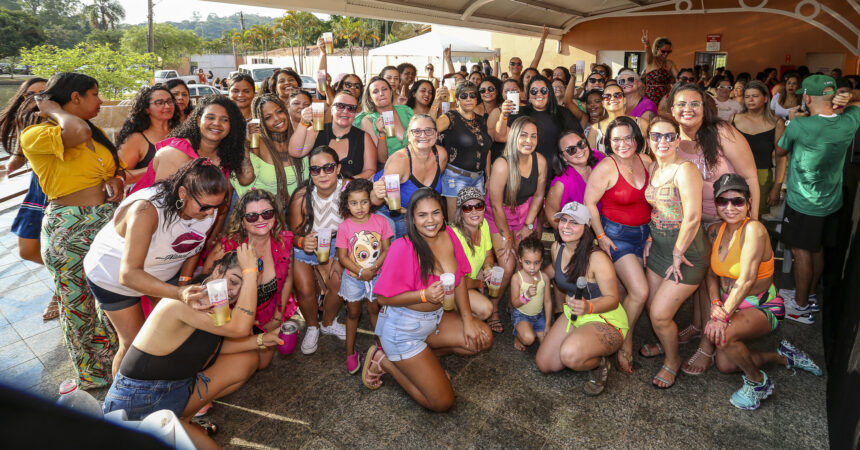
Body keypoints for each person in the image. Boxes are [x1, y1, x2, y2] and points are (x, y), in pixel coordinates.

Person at [102, 245, 282, 447]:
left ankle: (184, 420)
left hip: (176, 389)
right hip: (138, 402)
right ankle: (171, 428)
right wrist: (250, 273)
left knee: (246, 359)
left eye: (246, 287)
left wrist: (260, 341)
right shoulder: (188, 301)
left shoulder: (216, 301)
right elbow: (239, 328)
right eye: (233, 281)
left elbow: (212, 349)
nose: (236, 292)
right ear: (217, 271)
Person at [20, 72, 126, 388]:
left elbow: (112, 168)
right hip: (69, 226)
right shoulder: (37, 134)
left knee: (110, 295)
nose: (101, 101)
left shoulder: (92, 133)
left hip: (105, 222)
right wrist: (50, 108)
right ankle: (93, 373)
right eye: (94, 94)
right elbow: (75, 132)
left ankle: (119, 359)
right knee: (77, 301)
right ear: (75, 97)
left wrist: (115, 182)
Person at [687, 174, 821, 409]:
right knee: (725, 365)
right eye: (723, 201)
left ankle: (758, 382)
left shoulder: (754, 230)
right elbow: (710, 274)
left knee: (724, 335)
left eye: (737, 201)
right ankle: (782, 356)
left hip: (762, 305)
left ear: (749, 202)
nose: (730, 207)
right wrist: (716, 301)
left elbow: (747, 279)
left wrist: (721, 316)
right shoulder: (715, 231)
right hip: (730, 303)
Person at [84, 158, 226, 376]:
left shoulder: (207, 208)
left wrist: (184, 282)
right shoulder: (147, 210)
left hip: (161, 273)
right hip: (112, 276)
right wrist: (180, 293)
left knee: (173, 332)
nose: (210, 213)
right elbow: (129, 274)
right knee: (134, 343)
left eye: (216, 206)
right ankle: (118, 403)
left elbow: (194, 244)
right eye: (205, 207)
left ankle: (166, 384)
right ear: (182, 193)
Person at [362, 188, 492, 411]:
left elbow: (459, 277)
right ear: (412, 218)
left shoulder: (449, 235)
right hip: (403, 330)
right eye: (422, 215)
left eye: (435, 213)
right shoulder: (402, 247)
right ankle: (385, 361)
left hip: (434, 320)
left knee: (482, 338)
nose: (430, 221)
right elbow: (382, 298)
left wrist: (468, 320)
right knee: (442, 402)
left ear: (444, 214)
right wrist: (424, 295)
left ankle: (424, 361)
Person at [669, 81, 759, 351]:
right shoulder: (672, 138)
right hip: (694, 222)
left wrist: (752, 224)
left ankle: (707, 346)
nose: (688, 109)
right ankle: (698, 326)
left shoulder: (721, 132)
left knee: (718, 282)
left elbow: (751, 176)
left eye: (695, 103)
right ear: (672, 110)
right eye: (681, 104)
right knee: (699, 277)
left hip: (728, 219)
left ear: (705, 108)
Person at [777, 75, 860, 323]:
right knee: (817, 249)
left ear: (807, 97)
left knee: (801, 252)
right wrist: (849, 97)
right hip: (831, 201)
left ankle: (800, 306)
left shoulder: (801, 126)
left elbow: (780, 150)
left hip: (803, 202)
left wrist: (789, 122)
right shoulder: (848, 121)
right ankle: (810, 294)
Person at [638, 117, 707, 388]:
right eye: (656, 136)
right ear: (649, 140)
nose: (663, 141)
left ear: (678, 140)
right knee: (650, 303)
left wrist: (678, 252)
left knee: (659, 313)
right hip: (659, 247)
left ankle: (673, 360)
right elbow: (657, 209)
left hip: (687, 253)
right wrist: (650, 238)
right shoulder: (654, 165)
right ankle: (663, 341)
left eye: (669, 136)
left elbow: (692, 217)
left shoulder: (685, 170)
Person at [535, 202, 627, 396]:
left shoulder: (597, 258)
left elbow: (613, 298)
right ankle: (582, 344)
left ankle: (599, 365)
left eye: (574, 222)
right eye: (564, 220)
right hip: (576, 311)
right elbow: (560, 271)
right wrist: (538, 277)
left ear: (586, 229)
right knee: (544, 364)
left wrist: (589, 307)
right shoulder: (556, 247)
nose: (566, 226)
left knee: (569, 355)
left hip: (605, 317)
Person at [584, 116, 652, 374]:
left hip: (645, 235)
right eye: (616, 139)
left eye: (627, 137)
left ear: (637, 138)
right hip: (618, 236)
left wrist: (651, 235)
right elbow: (589, 202)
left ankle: (609, 333)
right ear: (608, 143)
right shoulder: (606, 167)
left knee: (626, 293)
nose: (622, 143)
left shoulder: (646, 161)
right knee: (640, 291)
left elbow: (656, 200)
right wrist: (601, 237)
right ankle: (624, 340)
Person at [204, 188, 295, 370]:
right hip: (231, 318)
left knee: (262, 364)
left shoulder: (283, 242)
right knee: (243, 365)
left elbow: (287, 280)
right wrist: (223, 320)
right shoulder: (228, 247)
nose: (261, 220)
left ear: (275, 216)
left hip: (266, 315)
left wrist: (278, 317)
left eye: (267, 213)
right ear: (243, 222)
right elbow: (206, 279)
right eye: (252, 216)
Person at [0, 77, 56, 320]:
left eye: (43, 93)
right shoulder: (27, 123)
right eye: (30, 94)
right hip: (37, 189)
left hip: (59, 190)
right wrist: (9, 167)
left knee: (56, 247)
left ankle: (65, 289)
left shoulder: (62, 122)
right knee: (26, 249)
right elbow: (21, 154)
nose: (36, 99)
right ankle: (70, 278)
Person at [486, 116, 547, 333]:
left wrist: (528, 226)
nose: (528, 140)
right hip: (499, 214)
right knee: (507, 266)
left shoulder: (540, 160)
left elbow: (539, 196)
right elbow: (495, 205)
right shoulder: (502, 164)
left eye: (533, 136)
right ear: (513, 136)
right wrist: (509, 238)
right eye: (523, 135)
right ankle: (493, 308)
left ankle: (516, 302)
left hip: (525, 213)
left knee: (525, 264)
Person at [289, 146, 348, 354]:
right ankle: (313, 326)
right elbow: (292, 235)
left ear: (338, 167)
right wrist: (302, 242)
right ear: (310, 172)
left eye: (328, 167)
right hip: (306, 247)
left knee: (339, 283)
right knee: (305, 290)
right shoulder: (302, 197)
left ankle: (328, 323)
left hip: (335, 244)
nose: (322, 174)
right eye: (316, 170)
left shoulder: (348, 190)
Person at [335, 179, 392, 374]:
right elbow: (342, 257)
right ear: (346, 204)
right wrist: (360, 272)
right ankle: (350, 352)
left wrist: (374, 269)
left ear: (371, 201)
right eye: (353, 203)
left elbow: (387, 249)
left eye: (364, 202)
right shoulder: (344, 227)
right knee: (353, 314)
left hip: (377, 277)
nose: (359, 207)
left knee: (375, 311)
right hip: (353, 279)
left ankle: (381, 347)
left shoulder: (381, 222)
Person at [370, 114, 447, 239]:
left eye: (429, 130)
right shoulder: (399, 161)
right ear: (409, 136)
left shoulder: (441, 155)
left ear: (436, 134)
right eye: (416, 131)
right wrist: (402, 210)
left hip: (420, 214)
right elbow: (375, 200)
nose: (423, 135)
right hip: (392, 213)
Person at [233, 94, 306, 206]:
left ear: (286, 111)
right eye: (268, 117)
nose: (277, 119)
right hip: (262, 214)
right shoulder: (257, 144)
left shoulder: (298, 137)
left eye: (279, 111)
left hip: (294, 209)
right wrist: (244, 143)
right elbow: (245, 179)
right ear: (261, 122)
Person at [498, 74, 583, 169]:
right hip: (526, 170)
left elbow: (578, 140)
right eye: (534, 91)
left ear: (549, 92)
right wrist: (503, 115)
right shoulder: (519, 112)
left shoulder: (562, 113)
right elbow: (501, 137)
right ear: (528, 94)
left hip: (556, 170)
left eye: (543, 90)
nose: (539, 94)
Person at [290, 90, 376, 180]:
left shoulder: (364, 137)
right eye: (340, 106)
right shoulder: (316, 131)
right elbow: (295, 152)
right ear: (331, 109)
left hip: (351, 191)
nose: (345, 111)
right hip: (319, 191)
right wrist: (303, 123)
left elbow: (370, 170)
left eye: (351, 108)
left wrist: (346, 183)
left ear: (355, 113)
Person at [437, 81, 493, 218]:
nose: (468, 98)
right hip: (455, 177)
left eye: (472, 95)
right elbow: (430, 129)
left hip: (478, 178)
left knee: (476, 220)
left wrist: (489, 177)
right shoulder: (450, 117)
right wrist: (436, 102)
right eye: (464, 96)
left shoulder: (481, 120)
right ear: (457, 100)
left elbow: (487, 150)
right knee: (455, 220)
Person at [730, 81, 786, 218]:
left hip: (762, 176)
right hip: (735, 174)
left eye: (755, 96)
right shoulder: (734, 119)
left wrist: (777, 187)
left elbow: (781, 157)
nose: (750, 99)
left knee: (755, 221)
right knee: (732, 217)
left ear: (766, 98)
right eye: (747, 96)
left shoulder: (776, 122)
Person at [448, 187, 495, 322]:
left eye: (478, 206)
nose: (474, 211)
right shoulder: (455, 236)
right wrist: (480, 283)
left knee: (498, 271)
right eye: (467, 208)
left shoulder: (483, 224)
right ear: (460, 212)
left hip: (469, 280)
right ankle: (451, 319)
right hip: (453, 288)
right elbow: (458, 281)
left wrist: (488, 268)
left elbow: (488, 254)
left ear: (484, 208)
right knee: (486, 309)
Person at [545, 130, 604, 228]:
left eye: (581, 144)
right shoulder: (562, 183)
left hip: (607, 224)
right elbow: (550, 212)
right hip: (581, 231)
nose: (579, 150)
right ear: (563, 157)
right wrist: (567, 235)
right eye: (571, 150)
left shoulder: (599, 158)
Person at [116, 84, 180, 171]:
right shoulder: (135, 139)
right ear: (146, 109)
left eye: (169, 101)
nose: (167, 106)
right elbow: (121, 176)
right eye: (159, 103)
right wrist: (155, 168)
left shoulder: (181, 131)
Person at [356, 77, 414, 166]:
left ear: (391, 92)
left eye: (385, 89)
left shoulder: (405, 110)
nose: (381, 93)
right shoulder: (368, 120)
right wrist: (382, 135)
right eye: (375, 91)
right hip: (390, 167)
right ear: (370, 98)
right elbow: (382, 160)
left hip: (415, 161)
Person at [510, 235, 551, 351]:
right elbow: (514, 303)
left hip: (539, 316)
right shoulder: (517, 278)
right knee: (528, 339)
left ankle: (530, 329)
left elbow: (547, 302)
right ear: (520, 259)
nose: (532, 267)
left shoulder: (545, 278)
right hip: (521, 315)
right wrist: (526, 295)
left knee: (547, 345)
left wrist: (547, 324)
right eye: (527, 262)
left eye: (536, 263)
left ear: (542, 261)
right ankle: (518, 335)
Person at [587, 83, 646, 154]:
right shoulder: (595, 129)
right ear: (603, 103)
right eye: (607, 96)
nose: (612, 98)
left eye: (617, 95)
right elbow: (591, 158)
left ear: (624, 100)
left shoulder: (641, 124)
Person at [641, 30, 679, 104]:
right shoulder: (651, 60)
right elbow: (648, 51)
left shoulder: (670, 63)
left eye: (668, 52)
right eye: (663, 51)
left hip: (665, 98)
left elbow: (679, 77)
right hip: (651, 97)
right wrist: (647, 43)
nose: (666, 54)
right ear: (657, 49)